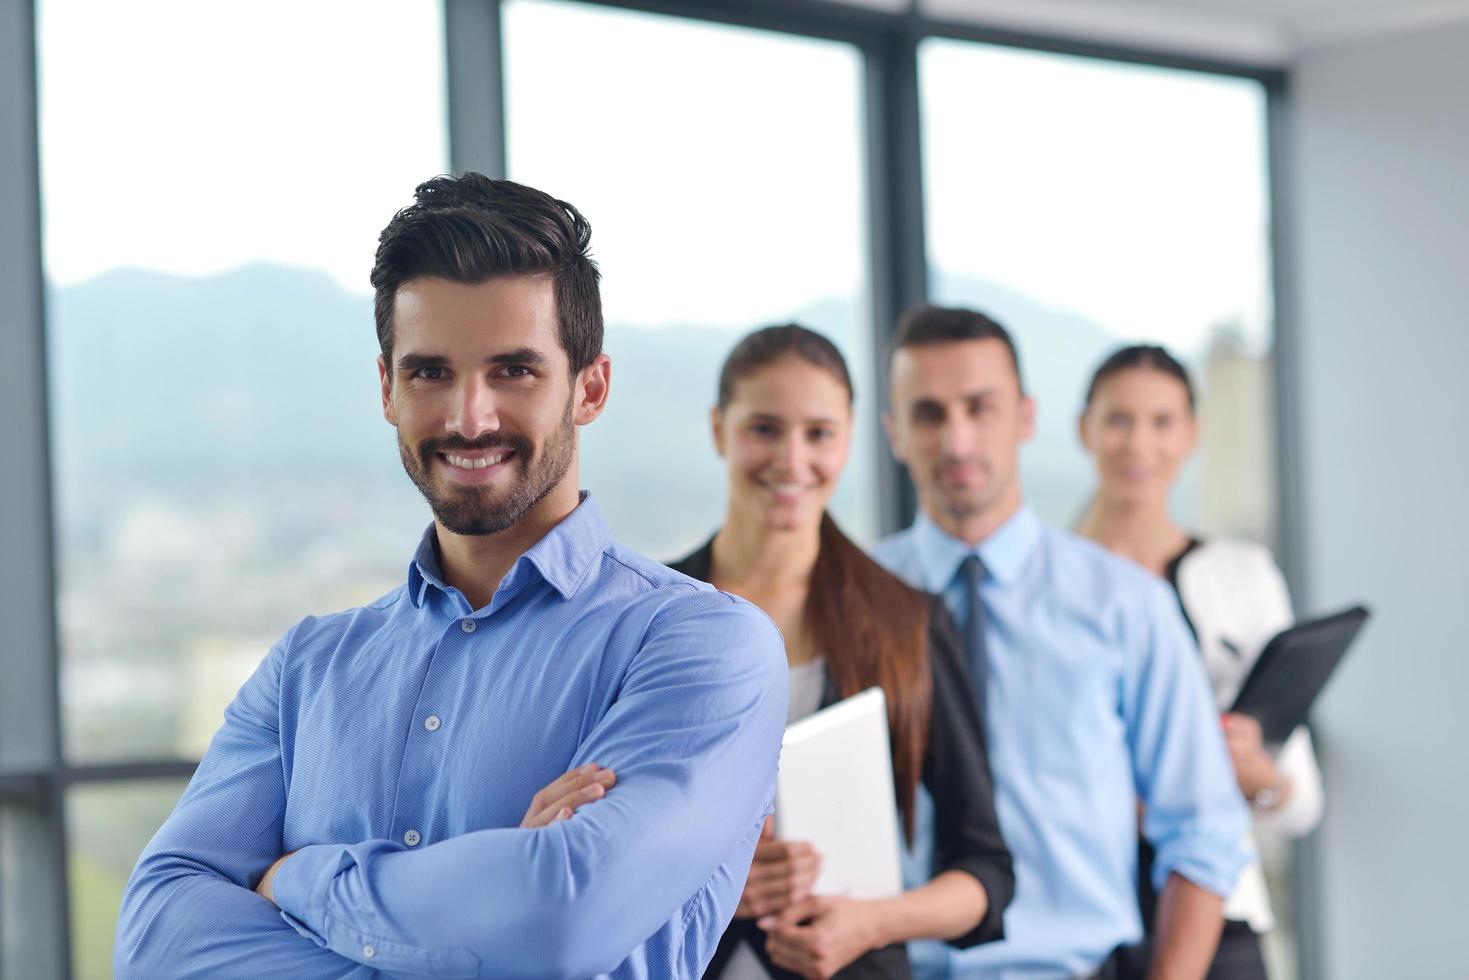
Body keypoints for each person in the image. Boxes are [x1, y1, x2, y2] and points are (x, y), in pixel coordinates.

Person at [114, 174, 789, 979]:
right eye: (431, 372)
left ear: (590, 388)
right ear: (387, 389)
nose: (470, 417)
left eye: (514, 371)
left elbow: (560, 914)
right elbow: (156, 939)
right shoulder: (306, 669)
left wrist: (296, 877)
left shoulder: (702, 646)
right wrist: (488, 905)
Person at [873, 305, 1251, 979]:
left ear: (1024, 417)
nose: (957, 441)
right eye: (928, 414)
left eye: (979, 408)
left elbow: (1201, 831)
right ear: (893, 432)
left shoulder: (1127, 606)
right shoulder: (855, 602)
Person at [669, 325, 1015, 980]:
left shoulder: (905, 621)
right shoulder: (650, 615)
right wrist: (703, 883)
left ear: (850, 437)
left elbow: (985, 873)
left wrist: (871, 922)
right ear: (719, 429)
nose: (792, 460)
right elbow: (593, 840)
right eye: (763, 429)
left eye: (819, 433)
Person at [1075, 344, 1324, 979]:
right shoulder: (1044, 585)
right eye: (1118, 420)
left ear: (1191, 434)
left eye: (1162, 422)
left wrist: (1253, 775)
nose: (1139, 445)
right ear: (1085, 430)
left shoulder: (1244, 578)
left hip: (1222, 918)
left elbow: (1300, 803)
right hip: (1082, 918)